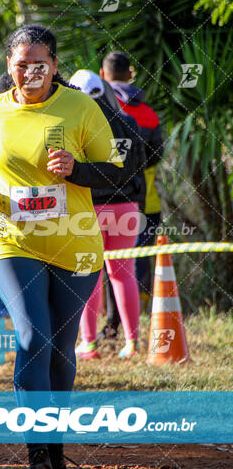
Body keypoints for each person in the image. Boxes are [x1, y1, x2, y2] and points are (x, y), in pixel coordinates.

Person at [0, 25, 124, 469]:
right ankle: (38, 453)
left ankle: (54, 446)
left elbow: (115, 171)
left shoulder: (81, 107)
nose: (30, 73)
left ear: (54, 65)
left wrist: (76, 170)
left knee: (61, 348)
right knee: (33, 336)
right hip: (8, 239)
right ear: (9, 66)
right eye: (20, 65)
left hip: (75, 245)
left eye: (40, 65)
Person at [69, 70, 146, 359]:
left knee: (89, 274)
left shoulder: (76, 124)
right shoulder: (127, 123)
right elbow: (140, 167)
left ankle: (88, 344)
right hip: (126, 207)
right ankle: (133, 343)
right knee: (124, 275)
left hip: (88, 209)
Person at [100, 52, 164, 311]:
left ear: (103, 75)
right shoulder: (149, 114)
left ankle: (109, 323)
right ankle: (142, 316)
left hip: (101, 200)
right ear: (130, 74)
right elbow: (156, 156)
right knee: (138, 262)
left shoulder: (99, 108)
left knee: (106, 265)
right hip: (145, 201)